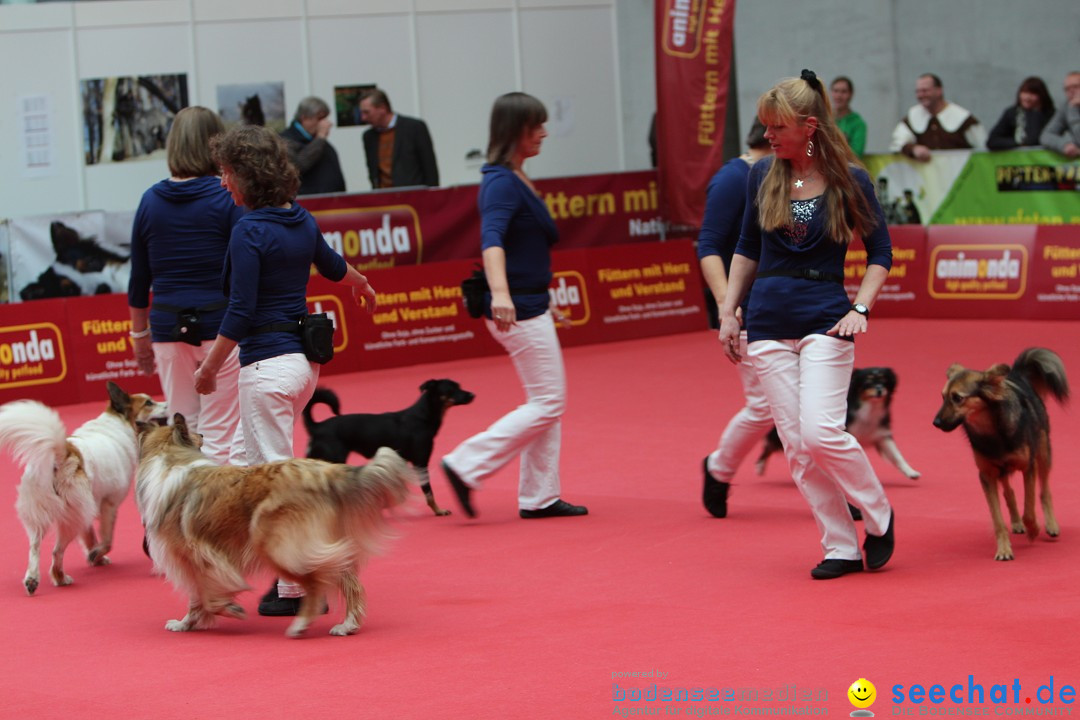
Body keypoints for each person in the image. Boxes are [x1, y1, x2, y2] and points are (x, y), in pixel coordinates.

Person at [194, 124, 378, 616]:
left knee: (280, 488)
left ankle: (300, 591)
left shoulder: (248, 231)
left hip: (268, 372)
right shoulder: (298, 217)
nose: (221, 182)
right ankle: (223, 569)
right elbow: (331, 264)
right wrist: (359, 282)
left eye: (226, 173)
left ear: (246, 175)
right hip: (301, 366)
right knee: (234, 467)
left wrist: (209, 369)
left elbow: (240, 312)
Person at [718, 70, 895, 580]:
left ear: (810, 126)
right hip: (768, 323)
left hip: (826, 319)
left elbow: (880, 252)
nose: (767, 137)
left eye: (777, 128)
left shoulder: (851, 181)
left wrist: (859, 308)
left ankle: (879, 515)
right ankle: (840, 545)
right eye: (765, 127)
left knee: (820, 433)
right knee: (796, 446)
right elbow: (747, 249)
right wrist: (730, 311)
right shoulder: (762, 175)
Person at [440, 92, 586, 520]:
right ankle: (465, 465)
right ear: (514, 132)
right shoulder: (502, 181)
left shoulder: (515, 176)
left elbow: (525, 250)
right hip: (515, 307)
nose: (544, 132)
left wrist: (545, 299)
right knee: (549, 402)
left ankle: (539, 496)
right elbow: (492, 242)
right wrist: (502, 294)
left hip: (529, 301)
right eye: (535, 126)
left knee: (547, 402)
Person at [127, 106, 243, 465]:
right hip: (221, 327)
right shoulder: (228, 197)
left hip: (166, 329)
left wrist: (139, 336)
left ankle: (183, 517)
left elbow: (138, 279)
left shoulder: (149, 200)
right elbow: (245, 266)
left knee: (183, 428)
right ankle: (214, 518)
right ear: (216, 145)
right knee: (220, 434)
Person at [699, 118, 774, 518]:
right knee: (765, 407)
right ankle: (718, 467)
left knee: (803, 405)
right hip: (746, 309)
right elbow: (708, 246)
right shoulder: (733, 179)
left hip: (785, 304)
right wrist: (727, 306)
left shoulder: (787, 176)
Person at [890, 73, 986, 161]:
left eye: (925, 90)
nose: (920, 95)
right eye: (918, 91)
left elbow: (983, 147)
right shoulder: (912, 117)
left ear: (939, 90)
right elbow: (897, 144)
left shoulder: (963, 119)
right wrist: (913, 149)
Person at [360, 89, 439, 189]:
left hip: (413, 196)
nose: (363, 118)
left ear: (382, 108)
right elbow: (372, 171)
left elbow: (430, 168)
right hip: (384, 198)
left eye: (367, 112)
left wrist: (432, 195)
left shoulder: (414, 128)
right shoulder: (368, 136)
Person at [280, 96, 346, 195]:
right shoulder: (285, 140)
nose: (326, 123)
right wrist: (320, 137)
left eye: (325, 118)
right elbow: (298, 166)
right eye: (320, 118)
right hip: (310, 204)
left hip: (333, 203)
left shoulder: (317, 139)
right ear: (305, 118)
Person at [987, 77, 1055, 150]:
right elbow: (992, 141)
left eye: (1032, 94)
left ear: (1042, 96)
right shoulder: (1012, 113)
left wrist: (1035, 113)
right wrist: (1018, 143)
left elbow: (1033, 140)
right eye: (1024, 92)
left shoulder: (1052, 115)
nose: (1027, 97)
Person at [1039, 71, 1080, 158]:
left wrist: (1075, 110)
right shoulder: (1066, 107)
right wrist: (1064, 145)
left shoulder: (1072, 108)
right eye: (1067, 89)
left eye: (1076, 86)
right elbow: (1045, 135)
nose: (1071, 91)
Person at [829, 76, 866, 157]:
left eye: (843, 92)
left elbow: (857, 154)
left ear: (851, 94)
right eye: (836, 91)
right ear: (831, 93)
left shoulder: (858, 124)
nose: (839, 96)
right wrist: (843, 142)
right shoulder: (824, 118)